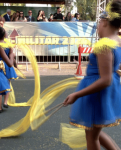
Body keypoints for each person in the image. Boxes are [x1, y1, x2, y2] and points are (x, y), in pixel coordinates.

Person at [63, 1, 121, 149]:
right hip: (103, 92)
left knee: (91, 136)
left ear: (105, 22)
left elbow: (105, 80)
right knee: (94, 132)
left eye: (99, 22)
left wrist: (77, 94)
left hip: (97, 93)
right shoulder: (117, 41)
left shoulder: (104, 45)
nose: (98, 26)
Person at [0, 26, 18, 112]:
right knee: (7, 83)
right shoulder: (8, 44)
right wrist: (14, 63)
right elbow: (12, 54)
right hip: (7, 65)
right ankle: (5, 102)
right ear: (4, 35)